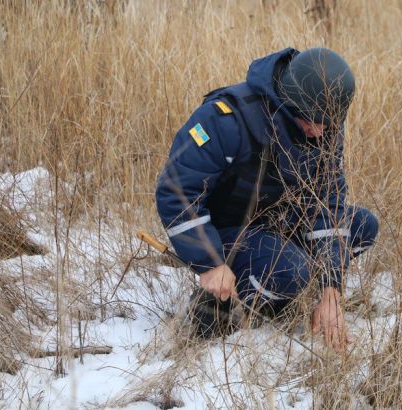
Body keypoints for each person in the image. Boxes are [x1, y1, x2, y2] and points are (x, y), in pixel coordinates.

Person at [155, 47, 378, 352]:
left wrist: (331, 290)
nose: (318, 131)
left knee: (363, 225)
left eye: (327, 122)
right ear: (289, 98)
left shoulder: (325, 126)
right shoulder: (226, 119)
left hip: (280, 222)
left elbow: (328, 205)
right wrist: (209, 261)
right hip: (227, 232)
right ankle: (219, 307)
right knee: (292, 271)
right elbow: (176, 190)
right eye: (310, 120)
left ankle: (281, 289)